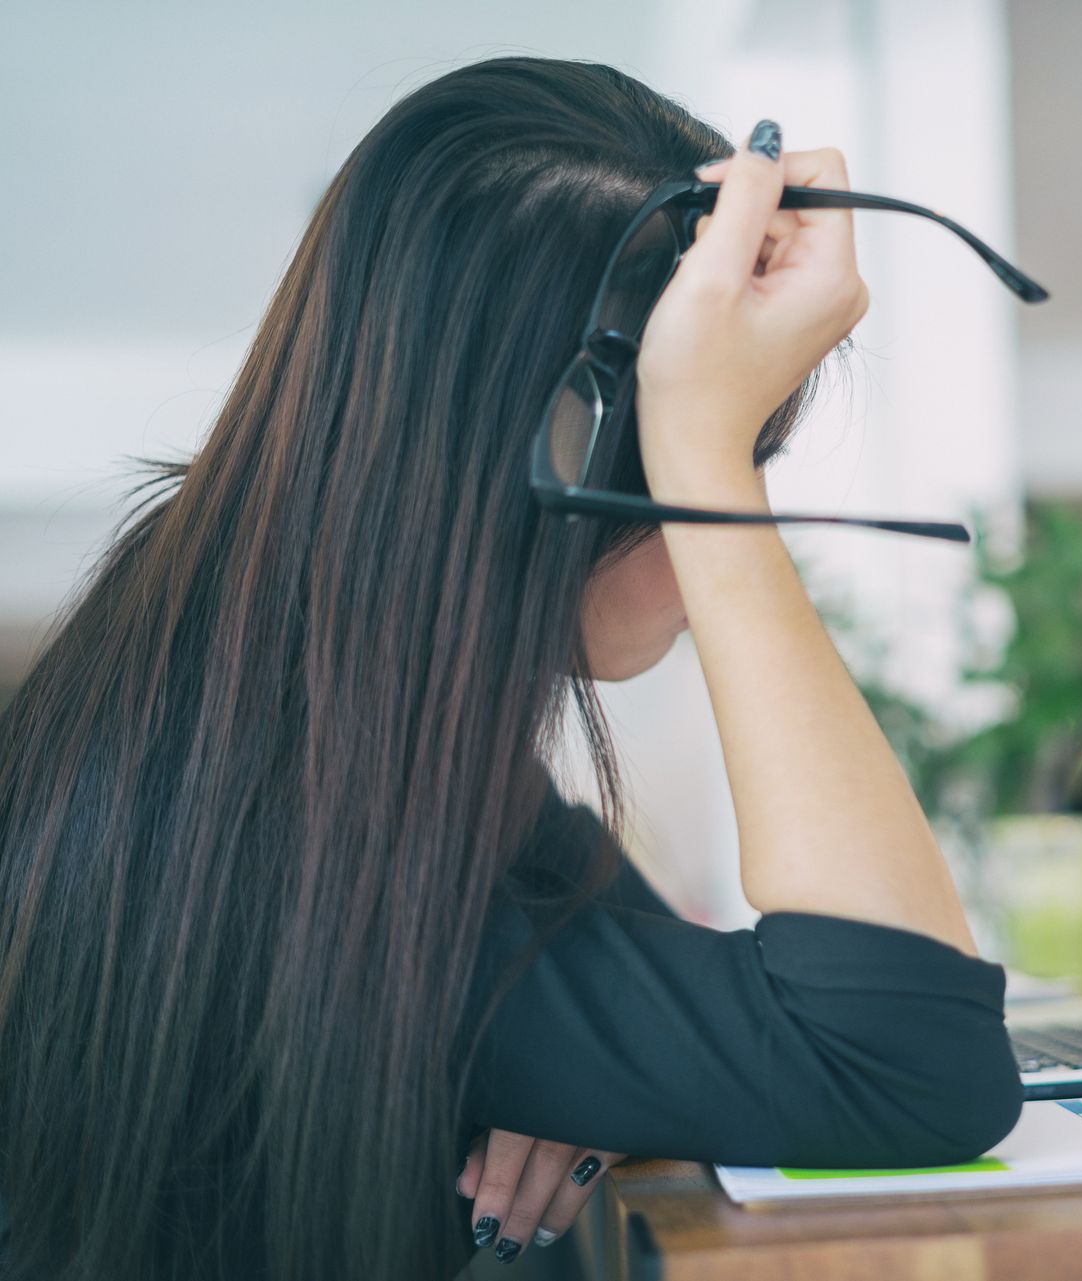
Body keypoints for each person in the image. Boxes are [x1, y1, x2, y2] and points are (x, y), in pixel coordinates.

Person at [0, 58, 1025, 1280]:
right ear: (562, 453)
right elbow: (902, 1064)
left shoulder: (277, 696)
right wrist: (706, 455)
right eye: (718, 474)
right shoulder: (282, 813)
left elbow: (663, 970)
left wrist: (578, 1067)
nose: (726, 556)